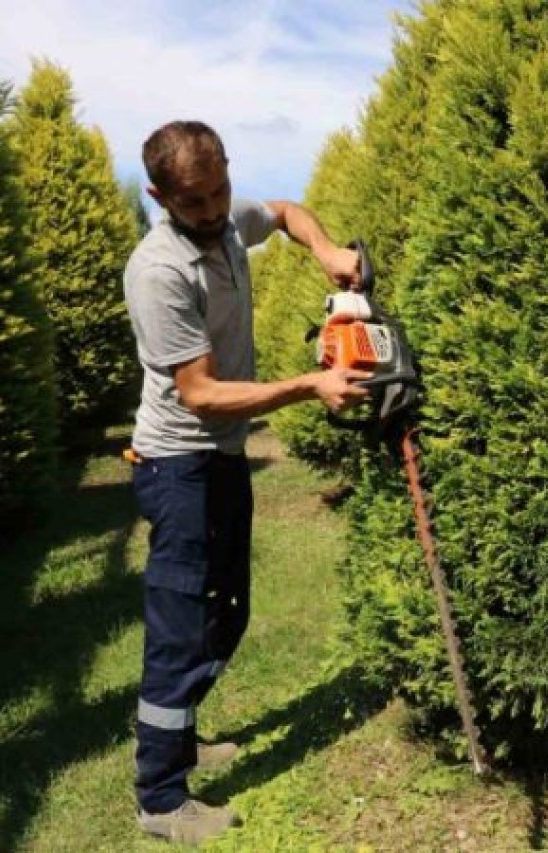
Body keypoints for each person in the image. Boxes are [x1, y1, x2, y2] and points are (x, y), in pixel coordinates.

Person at [123, 120, 370, 844]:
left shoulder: (228, 220)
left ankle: (180, 733)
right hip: (177, 465)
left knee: (226, 613)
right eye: (194, 203)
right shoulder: (159, 270)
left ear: (227, 172)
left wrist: (324, 248)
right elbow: (199, 393)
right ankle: (161, 797)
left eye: (219, 191)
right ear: (160, 196)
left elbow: (288, 213)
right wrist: (308, 385)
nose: (211, 211)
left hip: (221, 460)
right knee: (178, 629)